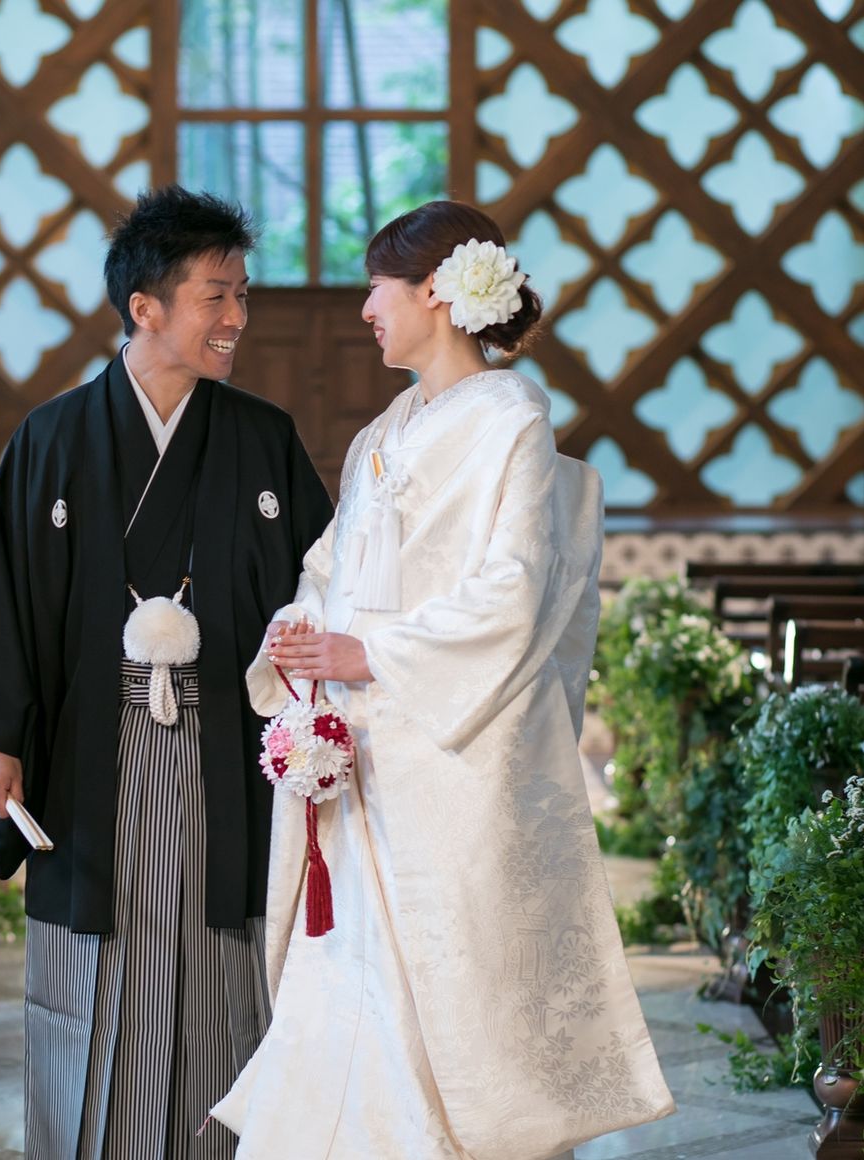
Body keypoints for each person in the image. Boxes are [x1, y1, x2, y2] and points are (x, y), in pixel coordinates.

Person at [210, 200, 674, 1158]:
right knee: (351, 983)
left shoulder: (511, 420)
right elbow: (328, 568)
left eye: (378, 286)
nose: (365, 309)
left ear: (434, 290)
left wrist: (371, 651)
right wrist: (302, 630)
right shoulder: (384, 430)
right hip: (361, 747)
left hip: (441, 754)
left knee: (442, 991)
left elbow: (513, 589)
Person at [0, 185, 333, 1160]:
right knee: (93, 970)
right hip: (90, 750)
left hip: (230, 748)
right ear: (144, 306)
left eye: (241, 295)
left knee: (223, 961)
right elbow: (9, 595)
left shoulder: (262, 437)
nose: (237, 317)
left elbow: (321, 589)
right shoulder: (53, 437)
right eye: (215, 296)